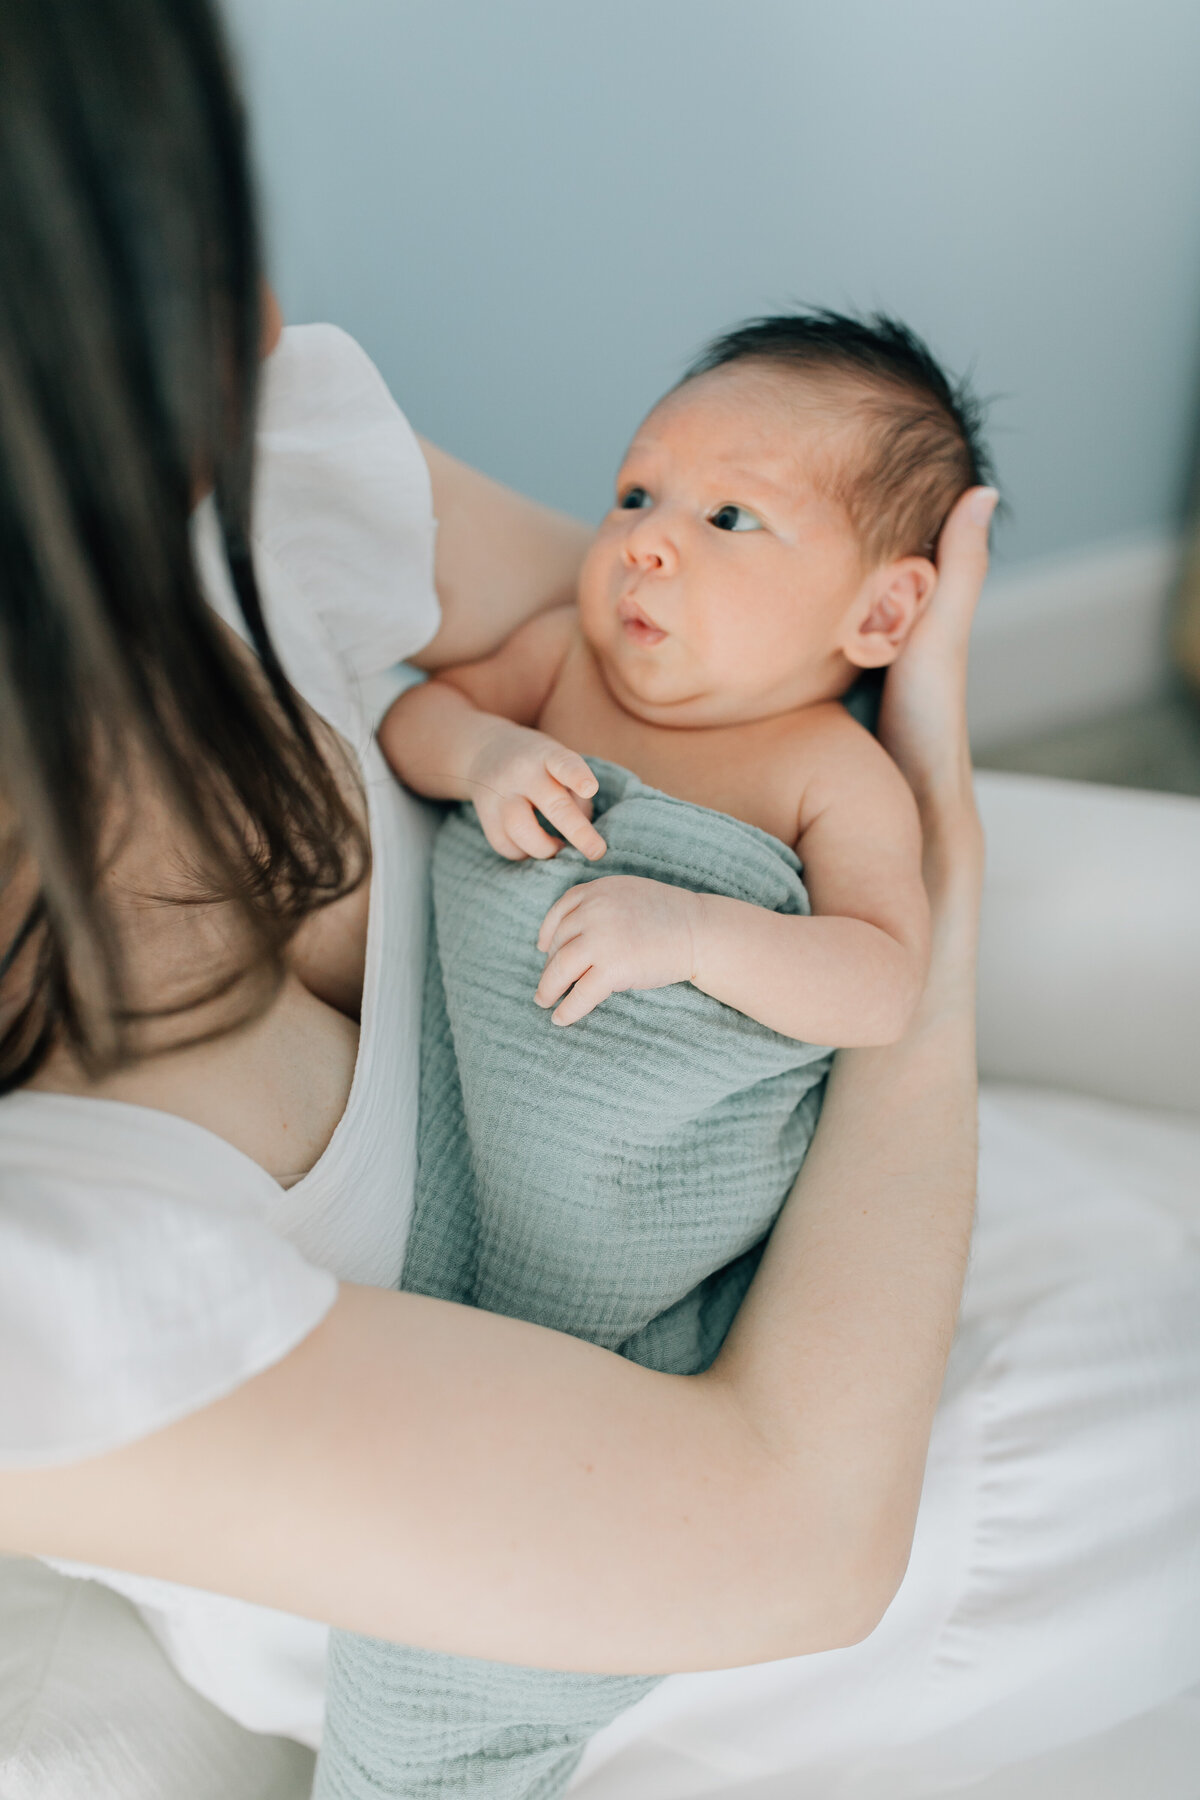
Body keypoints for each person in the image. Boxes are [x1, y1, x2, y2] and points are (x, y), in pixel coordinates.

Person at [0, 5, 1197, 1800]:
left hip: (806, 1214)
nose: (641, 536)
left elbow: (660, 663)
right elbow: (795, 1530)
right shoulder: (56, 1271)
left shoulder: (258, 484)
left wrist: (890, 778)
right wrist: (903, 846)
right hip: (697, 1580)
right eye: (205, 197)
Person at [319, 313, 986, 1800]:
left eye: (728, 515)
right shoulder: (559, 664)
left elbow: (880, 983)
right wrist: (484, 758)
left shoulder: (828, 772)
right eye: (635, 495)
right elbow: (422, 716)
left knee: (486, 1546)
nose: (647, 544)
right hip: (472, 1162)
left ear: (880, 618)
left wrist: (698, 935)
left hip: (643, 1238)